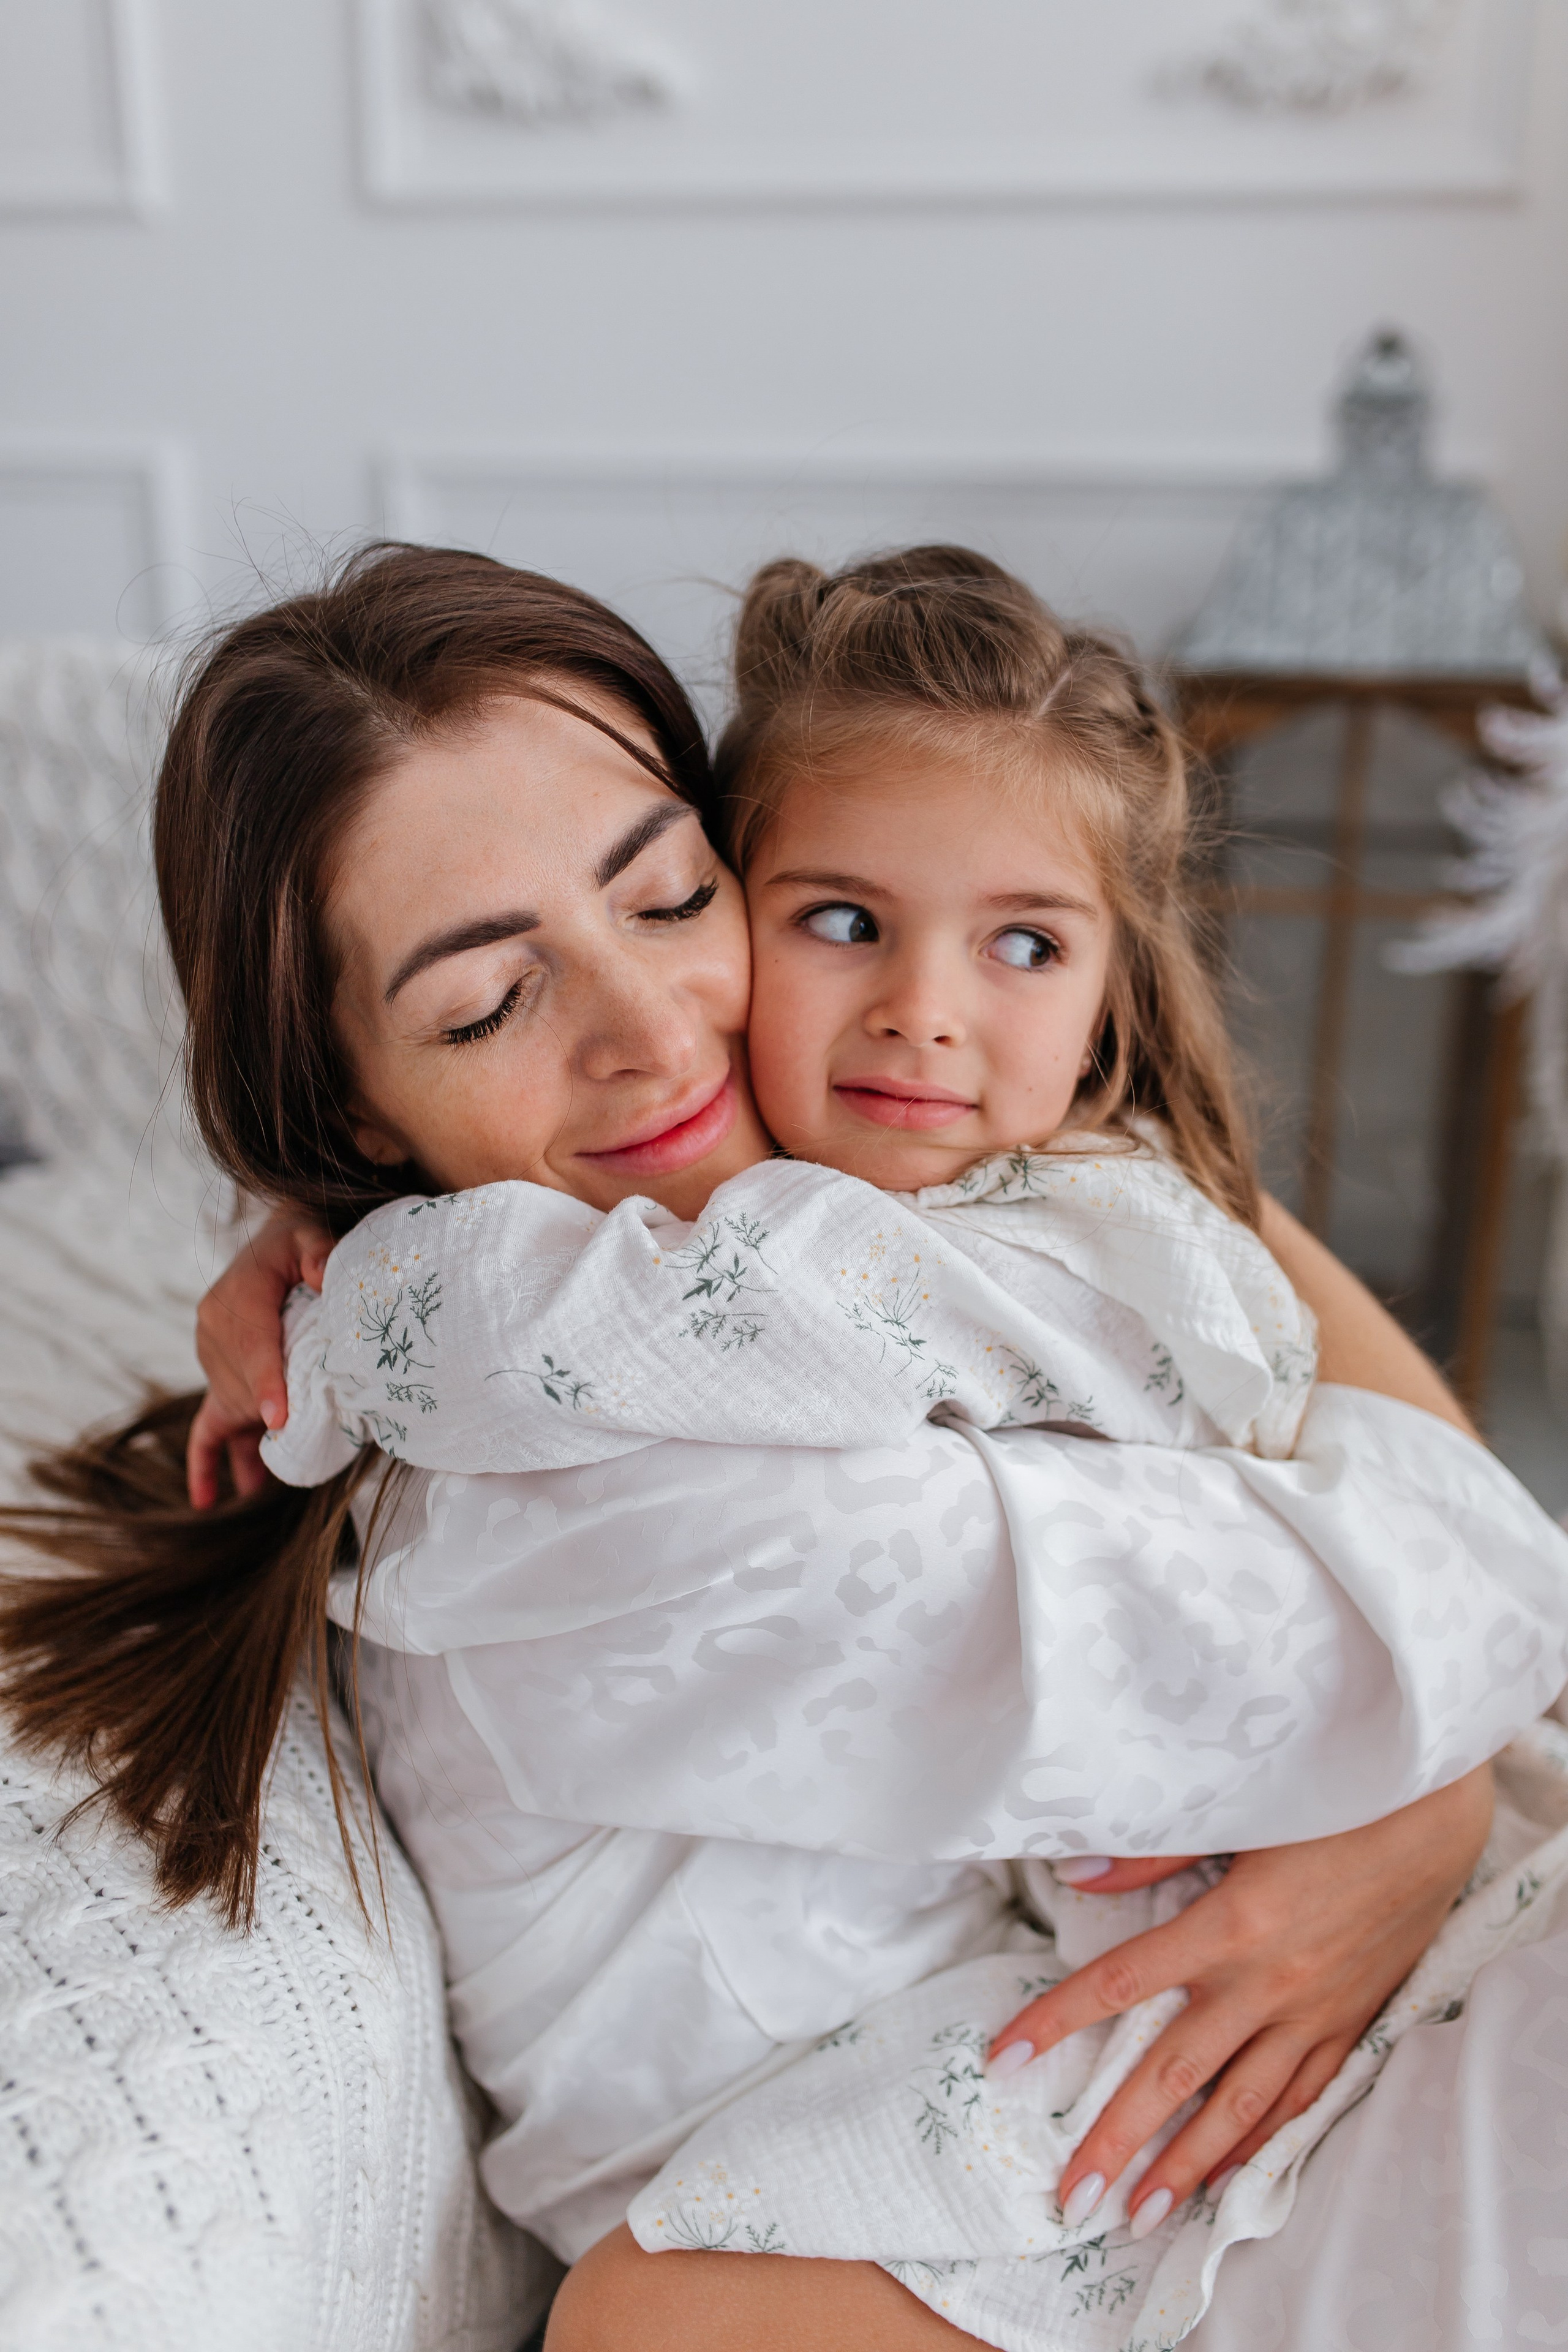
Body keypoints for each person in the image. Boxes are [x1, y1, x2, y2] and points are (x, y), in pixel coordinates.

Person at [5, 545, 1558, 2350]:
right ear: (342, 1096)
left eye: (673, 898)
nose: (657, 1032)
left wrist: (330, 1232)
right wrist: (1423, 1803)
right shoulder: (638, 1480)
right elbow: (1477, 1600)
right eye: (488, 1003)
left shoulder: (850, 1234)